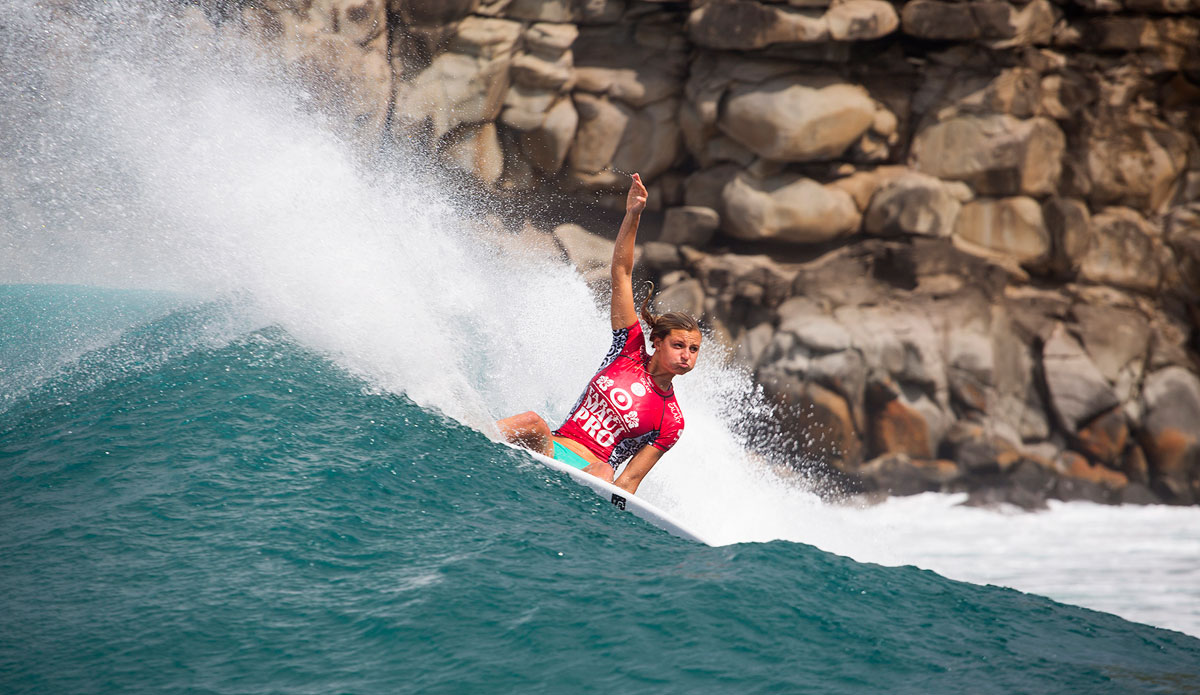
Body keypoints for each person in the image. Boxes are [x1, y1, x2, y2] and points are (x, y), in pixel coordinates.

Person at [496, 173, 702, 495]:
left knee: (605, 468)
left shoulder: (671, 421)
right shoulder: (628, 348)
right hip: (551, 448)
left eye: (693, 350)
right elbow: (621, 272)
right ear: (657, 342)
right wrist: (633, 214)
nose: (686, 355)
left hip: (592, 472)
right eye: (678, 345)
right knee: (531, 420)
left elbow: (629, 481)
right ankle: (466, 439)